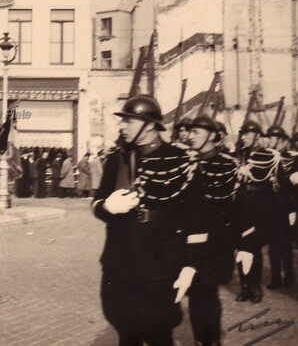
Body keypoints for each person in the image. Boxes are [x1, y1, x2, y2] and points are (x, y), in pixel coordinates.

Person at [91, 95, 195, 345]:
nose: (122, 126)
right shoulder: (117, 159)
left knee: (159, 332)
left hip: (160, 261)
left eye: (128, 121)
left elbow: (195, 218)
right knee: (126, 330)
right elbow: (97, 203)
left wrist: (190, 264)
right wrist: (107, 206)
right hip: (120, 260)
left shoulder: (180, 160)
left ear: (149, 125)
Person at [185, 115, 257, 346]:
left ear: (212, 136)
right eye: (190, 132)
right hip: (190, 244)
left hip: (218, 244)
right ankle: (202, 341)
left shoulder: (229, 165)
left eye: (196, 132)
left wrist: (246, 245)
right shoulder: (186, 164)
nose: (190, 136)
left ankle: (212, 340)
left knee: (207, 293)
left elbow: (242, 208)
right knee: (196, 294)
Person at [236, 120, 278, 303]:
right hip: (240, 209)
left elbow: (271, 188)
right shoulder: (240, 155)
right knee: (240, 249)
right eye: (242, 134)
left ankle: (255, 287)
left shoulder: (267, 156)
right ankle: (244, 287)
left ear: (258, 136)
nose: (243, 137)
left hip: (257, 211)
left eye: (247, 134)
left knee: (253, 249)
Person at [265, 124, 295, 289]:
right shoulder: (268, 158)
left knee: (285, 245)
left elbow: (294, 187)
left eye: (272, 138)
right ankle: (276, 279)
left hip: (286, 208)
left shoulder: (292, 159)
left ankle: (289, 278)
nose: (269, 141)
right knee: (273, 246)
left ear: (282, 141)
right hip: (271, 209)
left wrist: (293, 209)